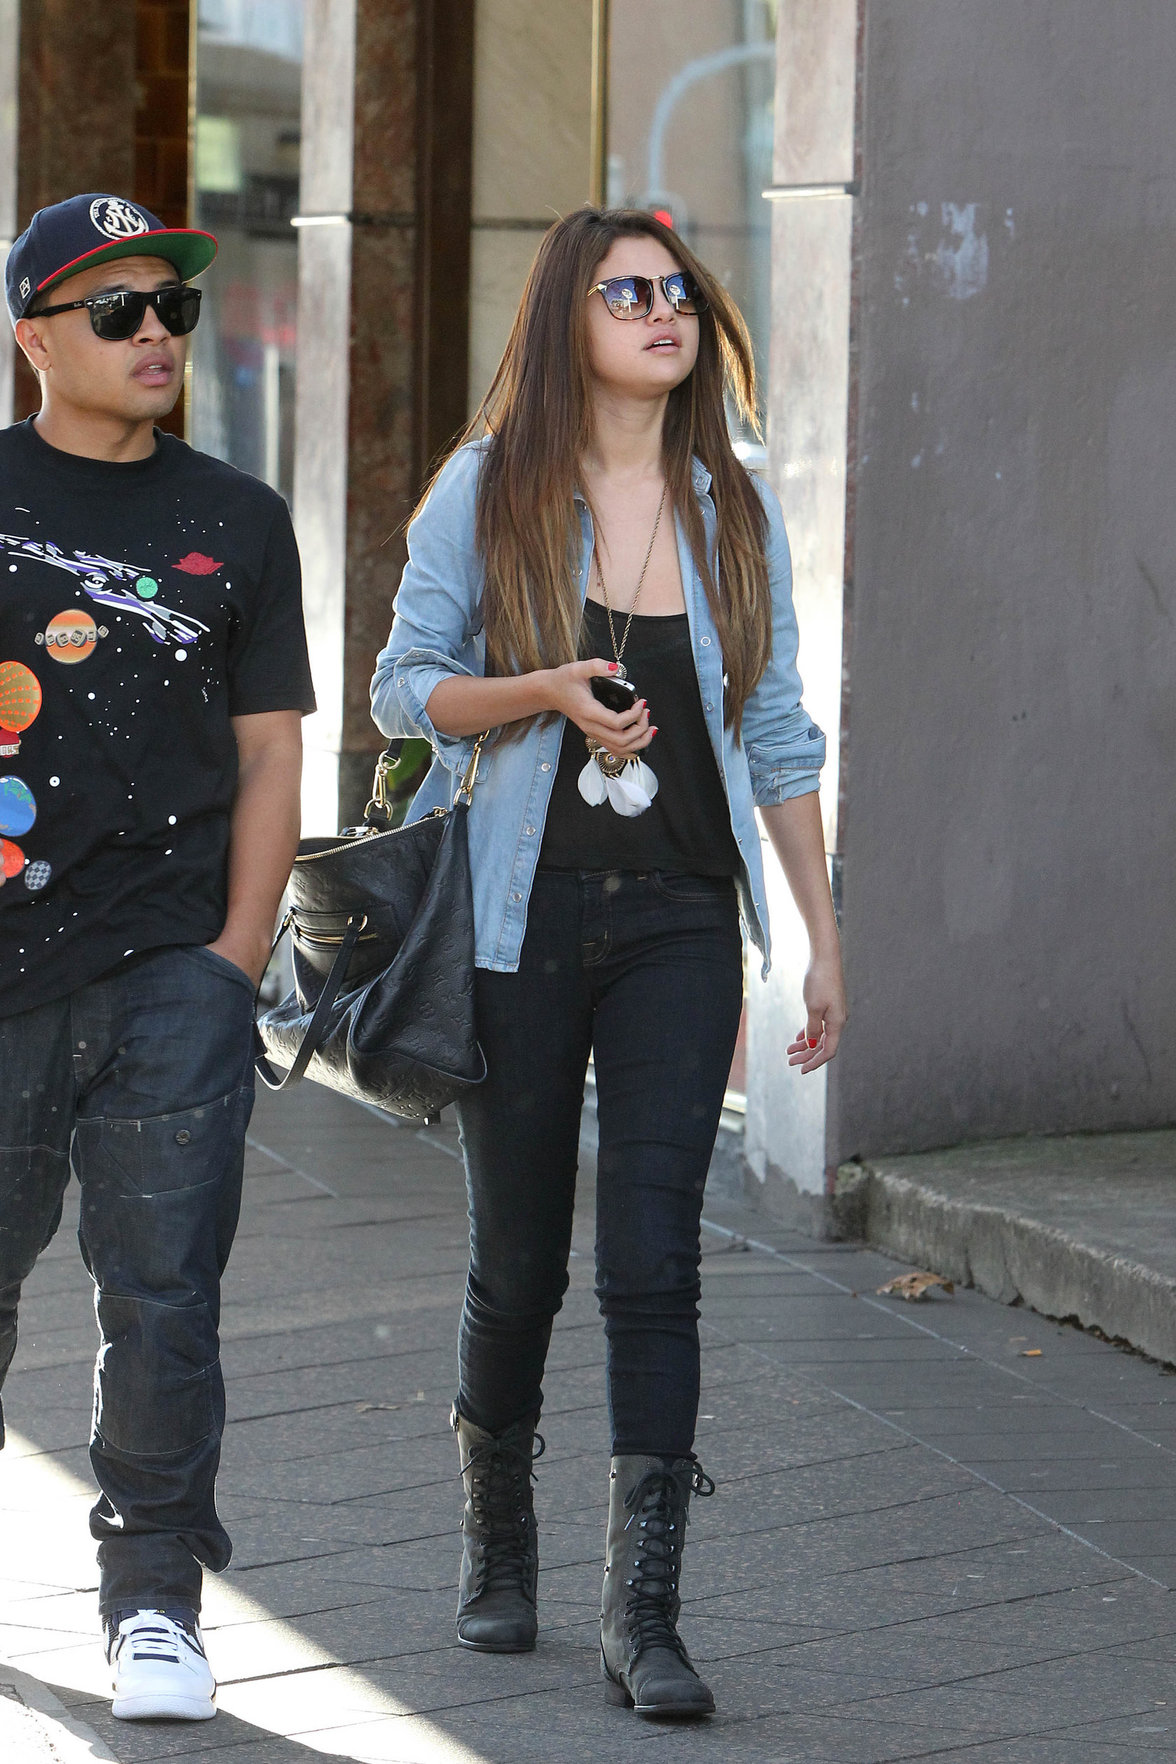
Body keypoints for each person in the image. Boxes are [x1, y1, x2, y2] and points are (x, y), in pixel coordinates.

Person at [370, 207, 846, 1719]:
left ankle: (647, 1609)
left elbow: (775, 735)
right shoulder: (490, 486)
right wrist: (546, 693)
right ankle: (496, 1533)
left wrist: (823, 939)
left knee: (655, 1258)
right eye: (628, 291)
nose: (664, 312)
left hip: (680, 927)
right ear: (567, 318)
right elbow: (402, 693)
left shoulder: (727, 509)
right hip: (515, 927)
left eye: (681, 293)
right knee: (518, 1265)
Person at [0, 194, 315, 1722]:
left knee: (165, 1305)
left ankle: (155, 1607)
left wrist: (232, 964)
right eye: (115, 311)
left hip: (170, 976)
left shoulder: (241, 520)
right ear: (33, 337)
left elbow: (271, 758)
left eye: (172, 312)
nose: (154, 338)